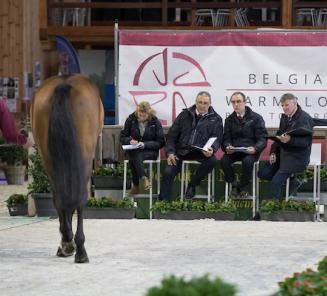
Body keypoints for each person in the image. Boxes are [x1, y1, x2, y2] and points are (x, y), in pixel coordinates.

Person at [159, 91, 223, 201]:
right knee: (168, 171)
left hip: (200, 152)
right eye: (200, 102)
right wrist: (170, 152)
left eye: (205, 103)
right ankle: (163, 202)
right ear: (195, 102)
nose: (202, 105)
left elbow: (217, 138)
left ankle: (192, 185)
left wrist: (211, 149)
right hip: (181, 151)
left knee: (212, 160)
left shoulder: (216, 119)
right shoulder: (184, 115)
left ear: (210, 103)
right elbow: (171, 136)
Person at [258, 93, 314, 199]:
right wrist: (273, 152)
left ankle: (272, 210)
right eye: (282, 105)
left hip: (296, 157)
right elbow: (279, 135)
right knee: (263, 174)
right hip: (282, 154)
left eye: (286, 105)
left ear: (295, 103)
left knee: (275, 183)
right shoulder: (284, 117)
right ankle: (292, 181)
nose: (284, 108)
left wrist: (290, 140)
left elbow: (305, 143)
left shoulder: (305, 118)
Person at [221, 92, 267, 198]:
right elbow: (226, 138)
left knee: (247, 162)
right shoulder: (229, 120)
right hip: (235, 150)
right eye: (233, 102)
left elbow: (262, 139)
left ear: (245, 102)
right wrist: (227, 146)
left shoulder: (256, 118)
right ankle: (234, 185)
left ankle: (243, 186)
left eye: (238, 101)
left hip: (250, 151)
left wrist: (255, 148)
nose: (236, 104)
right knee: (224, 160)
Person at [120, 101, 165, 195]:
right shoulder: (131, 119)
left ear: (149, 113)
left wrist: (145, 144)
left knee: (133, 156)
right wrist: (129, 141)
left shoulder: (155, 121)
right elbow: (122, 137)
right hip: (134, 149)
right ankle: (144, 178)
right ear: (137, 112)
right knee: (134, 153)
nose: (141, 117)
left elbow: (160, 142)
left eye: (144, 116)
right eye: (140, 115)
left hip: (150, 151)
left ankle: (136, 185)